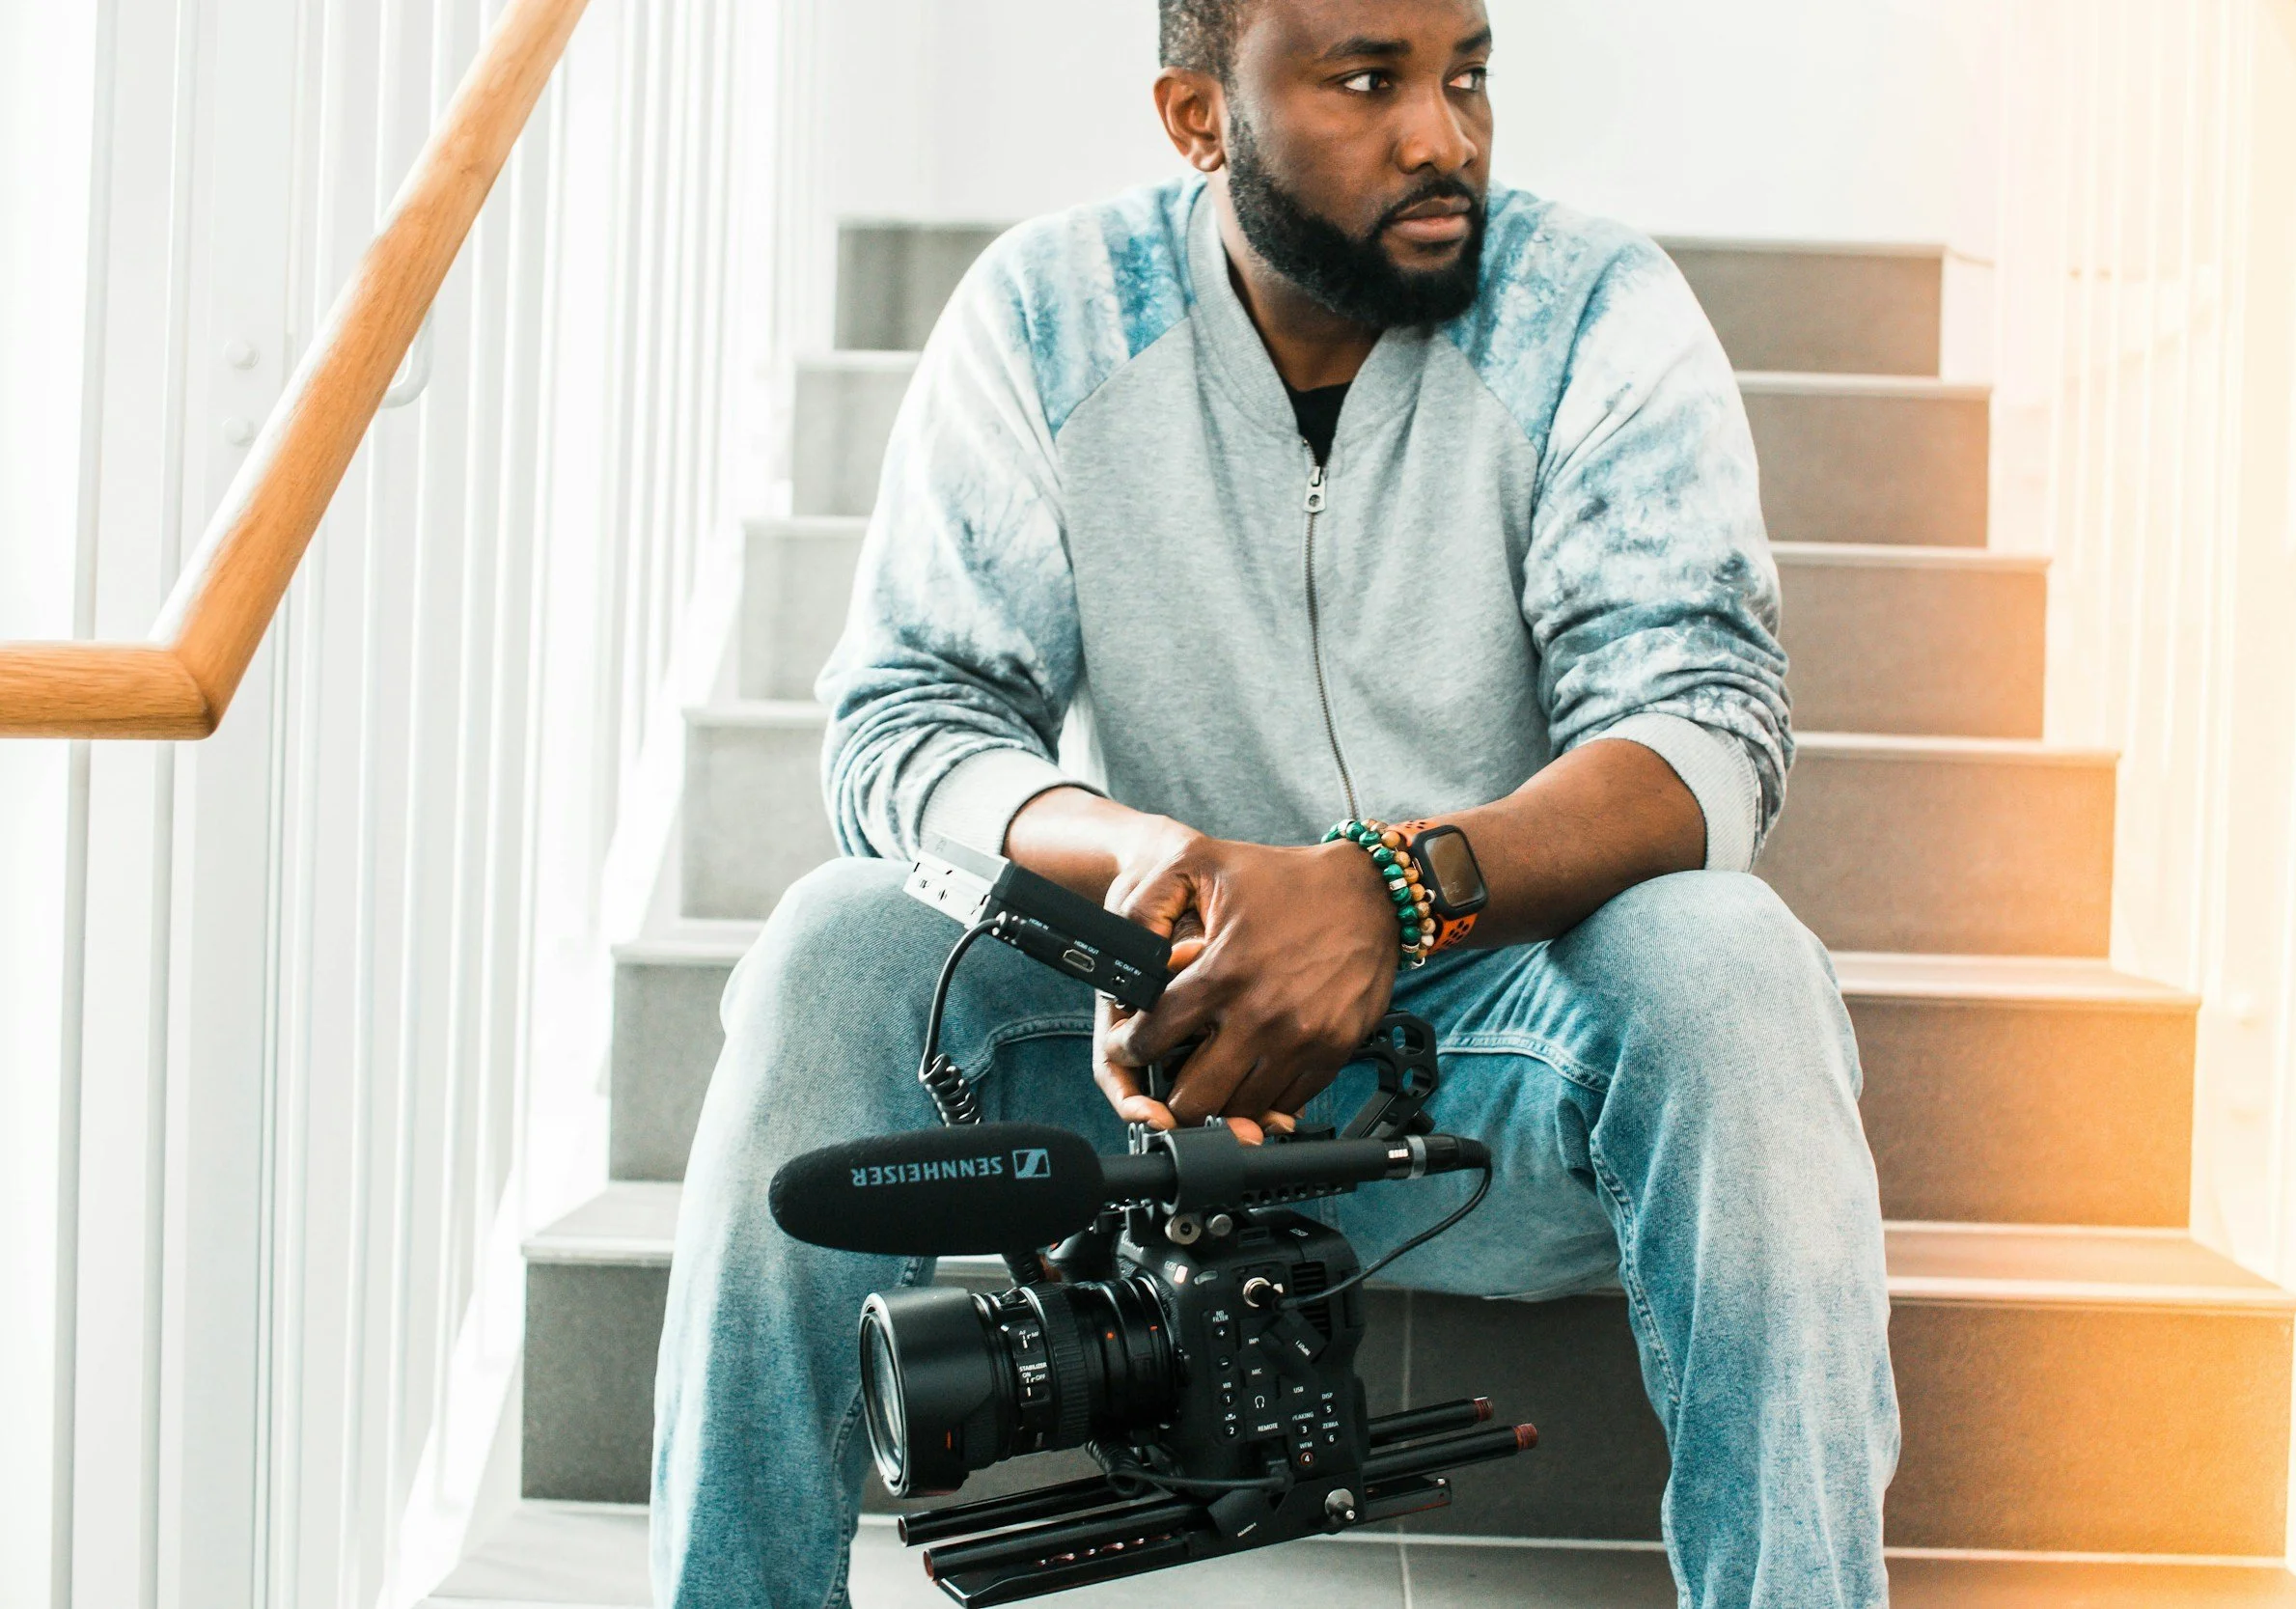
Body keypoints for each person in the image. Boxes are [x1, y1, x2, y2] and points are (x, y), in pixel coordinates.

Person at [651, 0, 1897, 1602]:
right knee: (836, 938)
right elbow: (906, 720)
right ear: (1197, 116)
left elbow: (1703, 727)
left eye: (1465, 74)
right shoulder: (1047, 314)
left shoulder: (1594, 307)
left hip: (1485, 1076)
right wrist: (1129, 863)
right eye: (1368, 81)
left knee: (1732, 960)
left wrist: (1390, 889)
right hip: (1158, 1059)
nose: (1442, 134)